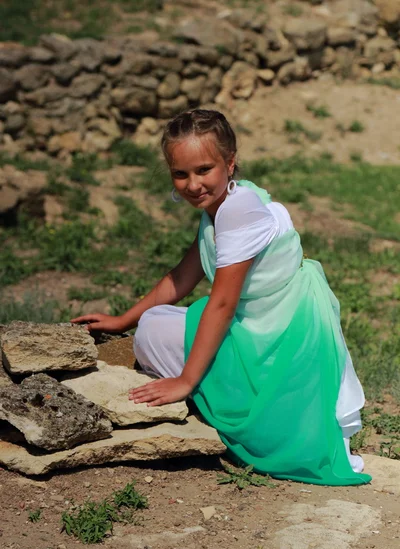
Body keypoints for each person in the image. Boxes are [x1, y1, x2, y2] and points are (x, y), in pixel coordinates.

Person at [72, 109, 371, 486]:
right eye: (180, 174)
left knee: (153, 333)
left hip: (280, 339)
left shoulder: (238, 212)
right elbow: (182, 275)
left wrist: (185, 380)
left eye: (203, 170)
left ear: (230, 164)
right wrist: (121, 320)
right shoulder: (228, 202)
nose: (193, 184)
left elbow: (223, 303)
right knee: (153, 322)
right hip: (276, 320)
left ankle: (239, 402)